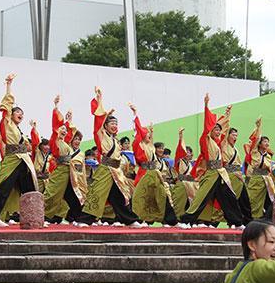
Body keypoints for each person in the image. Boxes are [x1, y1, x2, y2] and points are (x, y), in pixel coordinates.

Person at [75, 87, 141, 227]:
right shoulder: (101, 134)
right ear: (105, 126)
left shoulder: (115, 141)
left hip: (116, 172)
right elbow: (97, 122)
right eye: (112, 123)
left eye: (116, 123)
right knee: (97, 194)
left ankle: (129, 219)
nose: (115, 126)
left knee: (119, 196)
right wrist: (100, 100)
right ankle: (84, 219)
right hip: (105, 170)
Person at [0, 74, 38, 227]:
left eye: (22, 113)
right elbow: (7, 105)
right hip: (12, 159)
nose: (20, 114)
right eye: (17, 112)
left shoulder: (19, 131)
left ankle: (35, 218)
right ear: (11, 114)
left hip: (23, 160)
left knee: (29, 188)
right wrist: (8, 85)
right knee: (2, 188)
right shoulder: (6, 123)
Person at [180, 93, 244, 227]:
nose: (218, 131)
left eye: (219, 130)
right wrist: (206, 105)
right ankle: (187, 221)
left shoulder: (217, 142)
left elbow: (225, 127)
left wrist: (227, 114)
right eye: (215, 129)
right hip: (211, 173)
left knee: (228, 198)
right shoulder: (206, 140)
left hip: (221, 173)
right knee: (201, 197)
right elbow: (206, 125)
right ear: (210, 131)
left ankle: (237, 222)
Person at [129, 103, 177, 226]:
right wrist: (135, 114)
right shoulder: (139, 145)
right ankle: (137, 219)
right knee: (139, 198)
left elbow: (150, 139)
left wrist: (151, 131)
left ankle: (169, 221)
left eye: (150, 136)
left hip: (154, 174)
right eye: (147, 135)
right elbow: (138, 130)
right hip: (144, 174)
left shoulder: (150, 146)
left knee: (162, 195)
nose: (149, 137)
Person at [43, 95, 87, 224]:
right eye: (61, 129)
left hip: (69, 172)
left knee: (72, 195)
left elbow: (69, 131)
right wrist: (56, 107)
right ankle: (42, 216)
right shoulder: (54, 140)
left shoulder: (65, 142)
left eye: (65, 129)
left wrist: (69, 120)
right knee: (52, 194)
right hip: (60, 171)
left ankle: (78, 217)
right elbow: (55, 125)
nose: (64, 130)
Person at [221, 109, 252, 224]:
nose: (235, 137)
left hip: (238, 176)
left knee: (244, 200)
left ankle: (248, 221)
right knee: (231, 200)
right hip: (229, 177)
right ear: (228, 136)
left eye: (236, 135)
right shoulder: (224, 145)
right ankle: (230, 222)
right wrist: (227, 115)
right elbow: (223, 131)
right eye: (233, 135)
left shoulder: (236, 149)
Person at [243, 117, 275, 220]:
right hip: (256, 179)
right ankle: (251, 220)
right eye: (265, 141)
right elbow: (256, 139)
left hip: (267, 180)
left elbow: (270, 168)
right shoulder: (255, 152)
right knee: (253, 200)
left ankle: (265, 219)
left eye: (268, 142)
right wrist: (258, 127)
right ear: (260, 144)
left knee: (269, 200)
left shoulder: (268, 156)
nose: (267, 144)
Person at [171, 128, 198, 220]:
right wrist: (181, 137)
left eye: (189, 152)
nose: (187, 154)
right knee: (179, 205)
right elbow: (179, 151)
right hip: (182, 185)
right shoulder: (179, 161)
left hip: (191, 186)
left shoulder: (191, 164)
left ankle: (189, 221)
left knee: (190, 205)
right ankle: (176, 220)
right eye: (185, 152)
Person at [30, 121, 53, 193]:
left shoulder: (51, 156)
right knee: (38, 196)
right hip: (38, 179)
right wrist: (34, 128)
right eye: (45, 145)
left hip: (48, 179)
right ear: (41, 146)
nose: (47, 147)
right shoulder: (37, 152)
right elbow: (35, 141)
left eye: (48, 145)